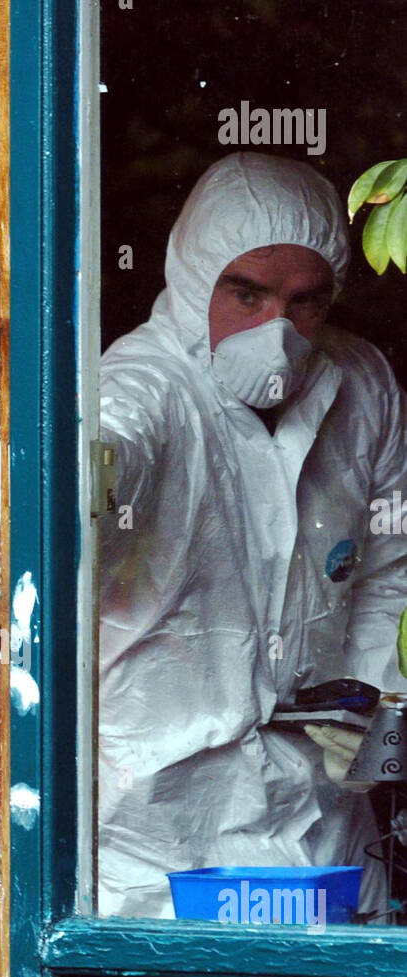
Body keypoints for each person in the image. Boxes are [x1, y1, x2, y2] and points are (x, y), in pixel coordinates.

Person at [99, 152, 407, 919]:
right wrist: (79, 469)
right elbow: (98, 445)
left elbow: (389, 568)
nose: (277, 330)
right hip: (158, 822)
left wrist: (369, 704)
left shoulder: (361, 382)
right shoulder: (148, 384)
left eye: (304, 301)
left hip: (321, 810)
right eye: (248, 294)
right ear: (196, 278)